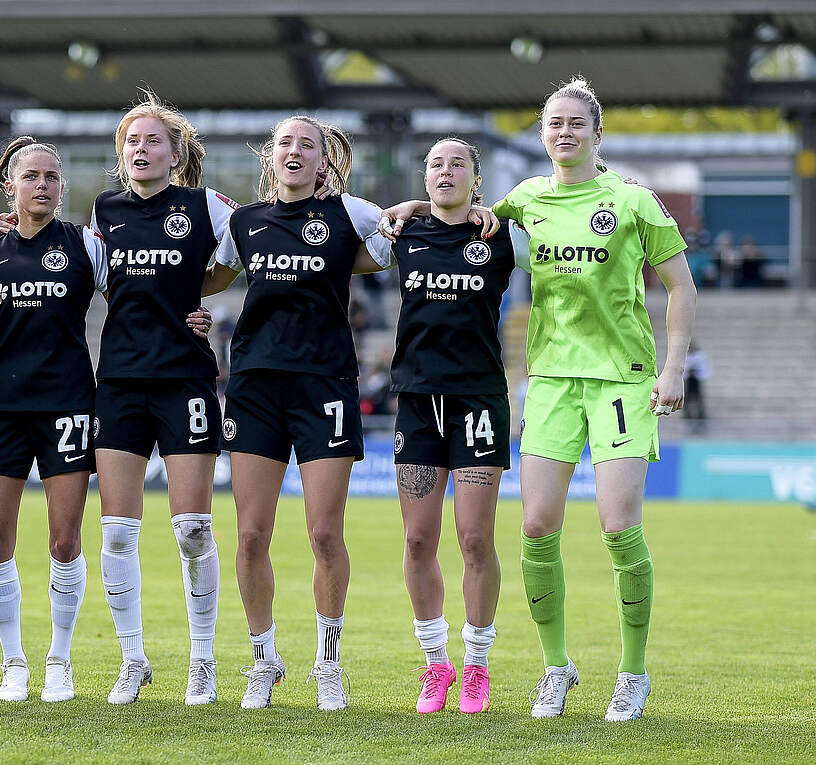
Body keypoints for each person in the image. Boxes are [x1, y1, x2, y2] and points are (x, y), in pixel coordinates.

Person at [384, 77, 697, 722]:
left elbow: (680, 285)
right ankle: (557, 668)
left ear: (597, 133)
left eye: (576, 123)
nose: (564, 132)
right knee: (534, 528)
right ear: (543, 135)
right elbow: (461, 212)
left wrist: (673, 369)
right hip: (551, 379)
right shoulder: (525, 199)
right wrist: (414, 206)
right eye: (554, 123)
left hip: (622, 379)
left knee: (618, 526)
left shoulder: (634, 200)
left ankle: (632, 674)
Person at [202, 116, 393, 712]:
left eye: (306, 145)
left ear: (322, 160)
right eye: (285, 142)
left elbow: (399, 238)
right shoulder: (243, 223)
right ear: (271, 156)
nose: (294, 151)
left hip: (324, 386)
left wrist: (416, 207)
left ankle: (328, 664)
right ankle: (264, 660)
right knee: (250, 534)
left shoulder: (350, 214)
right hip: (255, 386)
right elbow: (204, 278)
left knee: (324, 532)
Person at [87, 92, 237, 706]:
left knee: (192, 528)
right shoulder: (104, 210)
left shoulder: (205, 206)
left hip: (185, 379)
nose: (141, 149)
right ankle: (133, 659)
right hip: (120, 380)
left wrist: (203, 298)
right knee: (117, 532)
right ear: (121, 153)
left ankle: (203, 660)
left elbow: (245, 250)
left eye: (153, 140)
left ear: (176, 153)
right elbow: (105, 280)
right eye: (132, 141)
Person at [383, 138, 527, 715]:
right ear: (425, 177)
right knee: (418, 539)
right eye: (436, 164)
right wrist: (414, 208)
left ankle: (477, 664)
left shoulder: (501, 237)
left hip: (478, 401)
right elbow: (340, 221)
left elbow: (560, 225)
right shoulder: (402, 232)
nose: (446, 171)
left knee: (474, 538)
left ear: (476, 178)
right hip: (418, 401)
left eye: (457, 164)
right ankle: (435, 663)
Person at [0, 137, 107, 703]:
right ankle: (13, 662)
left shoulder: (86, 245)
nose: (43, 185)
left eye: (52, 176)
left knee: (64, 538)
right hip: (0, 407)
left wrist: (191, 313)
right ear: (10, 186)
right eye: (31, 176)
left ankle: (59, 660)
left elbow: (143, 292)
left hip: (67, 403)